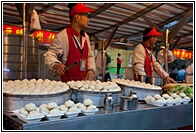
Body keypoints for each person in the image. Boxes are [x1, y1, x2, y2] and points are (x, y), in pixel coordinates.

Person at [44, 3, 96, 82]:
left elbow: (90, 56)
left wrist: (91, 70)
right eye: (86, 15)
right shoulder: (63, 36)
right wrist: (56, 65)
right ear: (77, 17)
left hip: (84, 84)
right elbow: (49, 54)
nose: (88, 20)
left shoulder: (86, 36)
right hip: (67, 85)